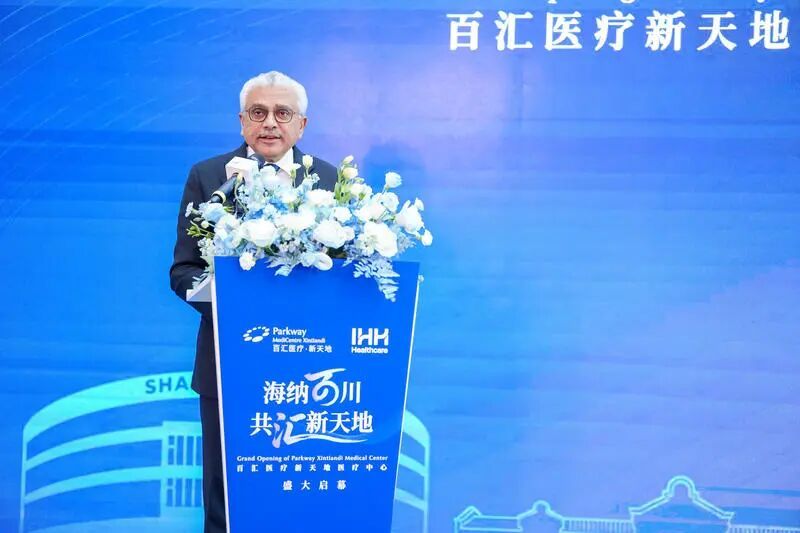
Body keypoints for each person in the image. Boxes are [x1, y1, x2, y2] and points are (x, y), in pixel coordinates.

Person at [169, 71, 338, 533]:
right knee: (226, 495)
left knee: (299, 491)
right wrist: (240, 308)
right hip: (228, 362)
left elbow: (344, 274)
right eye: (258, 113)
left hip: (308, 369)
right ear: (242, 121)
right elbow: (183, 271)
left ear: (301, 125)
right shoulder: (208, 177)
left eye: (282, 113)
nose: (270, 123)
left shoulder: (330, 180)